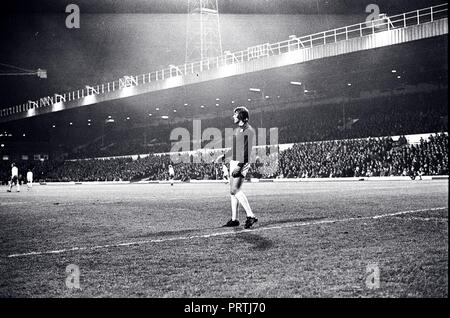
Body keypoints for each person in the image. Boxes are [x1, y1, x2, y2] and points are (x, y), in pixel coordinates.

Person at [217, 106, 258, 229]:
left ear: (241, 116)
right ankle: (234, 219)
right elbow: (234, 148)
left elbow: (247, 151)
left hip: (242, 162)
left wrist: (240, 166)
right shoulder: (238, 130)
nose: (233, 116)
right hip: (234, 161)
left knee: (235, 190)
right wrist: (225, 156)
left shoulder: (248, 130)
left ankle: (251, 216)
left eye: (235, 114)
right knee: (232, 191)